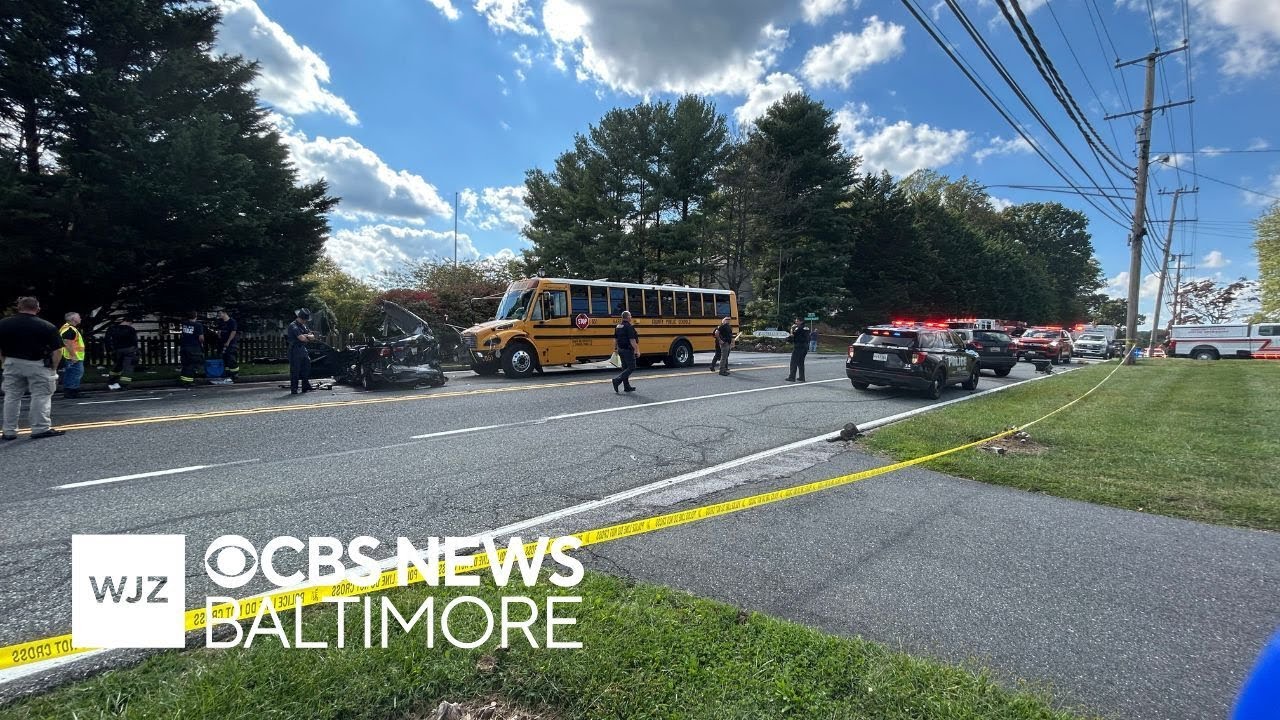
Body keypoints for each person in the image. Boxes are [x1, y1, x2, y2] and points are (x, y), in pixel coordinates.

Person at [0, 297, 66, 439]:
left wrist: (4, 362)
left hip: (11, 362)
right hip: (38, 364)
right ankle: (40, 428)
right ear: (37, 308)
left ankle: (9, 431)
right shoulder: (46, 326)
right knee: (40, 396)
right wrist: (53, 367)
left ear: (18, 307)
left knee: (11, 396)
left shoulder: (3, 324)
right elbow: (58, 350)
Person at [287, 308, 316, 394]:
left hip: (302, 349)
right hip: (295, 350)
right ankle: (294, 389)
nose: (305, 321)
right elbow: (302, 338)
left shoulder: (303, 326)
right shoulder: (293, 326)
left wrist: (306, 336)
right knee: (295, 370)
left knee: (306, 367)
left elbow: (312, 337)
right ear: (301, 318)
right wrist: (307, 336)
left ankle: (305, 386)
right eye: (305, 319)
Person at [105, 317, 138, 390]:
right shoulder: (131, 329)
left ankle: (112, 381)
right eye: (130, 323)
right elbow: (134, 341)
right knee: (128, 368)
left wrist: (109, 350)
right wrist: (136, 351)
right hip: (129, 350)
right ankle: (124, 385)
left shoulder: (112, 329)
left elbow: (107, 340)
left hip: (117, 350)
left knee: (117, 366)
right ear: (129, 322)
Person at [58, 311, 85, 399]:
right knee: (75, 374)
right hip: (73, 357)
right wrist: (73, 355)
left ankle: (70, 392)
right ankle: (72, 392)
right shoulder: (70, 329)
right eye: (79, 317)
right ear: (73, 319)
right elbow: (67, 342)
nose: (80, 318)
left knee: (71, 374)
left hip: (70, 356)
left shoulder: (68, 328)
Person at [611, 310, 638, 393]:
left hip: (620, 349)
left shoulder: (618, 326)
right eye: (630, 316)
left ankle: (626, 386)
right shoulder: (629, 327)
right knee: (632, 367)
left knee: (625, 368)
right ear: (628, 317)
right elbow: (632, 340)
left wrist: (615, 348)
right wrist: (637, 350)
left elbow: (615, 338)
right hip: (627, 350)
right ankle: (617, 380)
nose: (631, 317)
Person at [178, 311, 204, 387]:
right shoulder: (198, 325)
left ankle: (183, 380)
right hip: (194, 347)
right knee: (192, 364)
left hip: (184, 346)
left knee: (185, 364)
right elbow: (201, 338)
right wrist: (202, 343)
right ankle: (188, 381)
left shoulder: (184, 324)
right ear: (196, 316)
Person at [785, 316, 810, 383]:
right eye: (796, 321)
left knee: (793, 362)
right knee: (800, 362)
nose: (796, 322)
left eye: (797, 321)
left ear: (801, 321)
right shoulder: (807, 328)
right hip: (805, 347)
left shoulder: (798, 328)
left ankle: (792, 377)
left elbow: (792, 336)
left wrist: (791, 329)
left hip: (798, 346)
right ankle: (802, 377)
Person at [217, 310, 240, 382]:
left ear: (225, 313)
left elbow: (233, 332)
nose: (219, 315)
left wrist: (228, 342)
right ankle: (227, 373)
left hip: (231, 343)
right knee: (225, 358)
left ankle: (235, 374)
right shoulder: (221, 322)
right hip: (223, 343)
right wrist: (219, 335)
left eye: (220, 313)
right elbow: (219, 331)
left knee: (231, 358)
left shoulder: (232, 322)